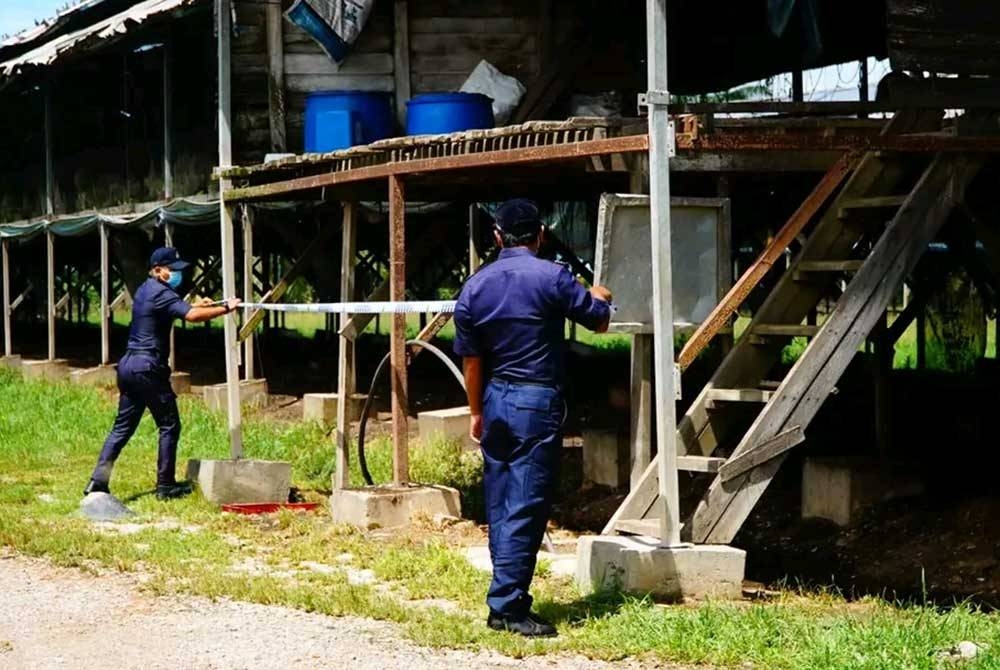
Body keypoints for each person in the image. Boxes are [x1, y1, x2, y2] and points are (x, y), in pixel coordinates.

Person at [453, 199, 613, 637]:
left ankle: (503, 598)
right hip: (535, 402)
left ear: (498, 237)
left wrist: (476, 412)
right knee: (527, 502)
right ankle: (508, 606)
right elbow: (598, 320)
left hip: (496, 400)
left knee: (501, 502)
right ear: (540, 235)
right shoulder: (553, 277)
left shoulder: (474, 287)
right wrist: (602, 295)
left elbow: (471, 361)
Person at [83, 247, 241, 501]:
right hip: (148, 368)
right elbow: (192, 315)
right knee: (169, 424)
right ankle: (165, 486)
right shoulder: (161, 292)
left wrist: (197, 304)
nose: (177, 274)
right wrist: (227, 308)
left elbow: (181, 307)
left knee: (122, 428)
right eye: (172, 270)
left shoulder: (146, 289)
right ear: (157, 270)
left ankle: (97, 481)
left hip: (128, 366)